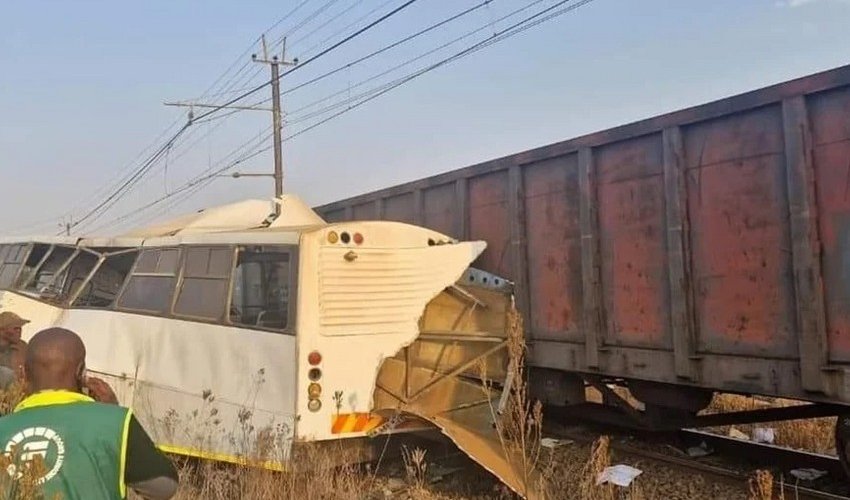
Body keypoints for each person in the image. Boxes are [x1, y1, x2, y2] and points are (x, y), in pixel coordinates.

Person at [0, 327, 179, 500]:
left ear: (23, 373)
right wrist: (112, 411)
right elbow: (163, 488)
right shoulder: (115, 422)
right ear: (80, 372)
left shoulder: (4, 427)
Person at [0, 311, 29, 389]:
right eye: (16, 328)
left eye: (20, 328)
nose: (19, 331)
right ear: (2, 330)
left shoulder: (23, 347)